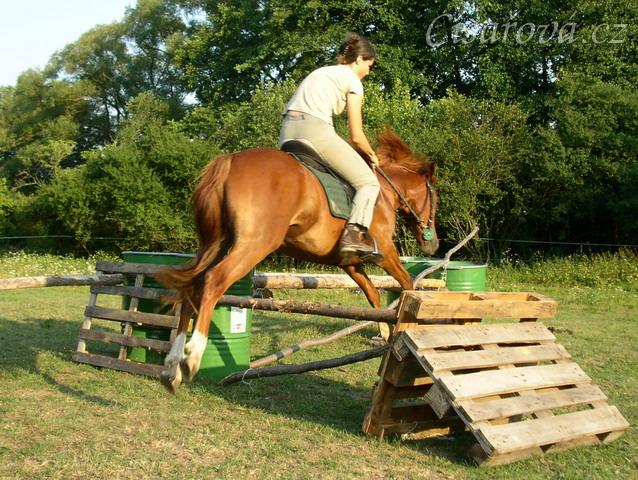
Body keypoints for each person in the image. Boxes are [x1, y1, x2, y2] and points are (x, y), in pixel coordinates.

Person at [279, 32, 382, 261]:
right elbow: (356, 136)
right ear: (359, 59)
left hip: (287, 132)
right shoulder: (353, 81)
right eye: (369, 65)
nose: (368, 72)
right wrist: (371, 155)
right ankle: (353, 236)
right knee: (368, 183)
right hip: (314, 130)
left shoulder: (321, 72)